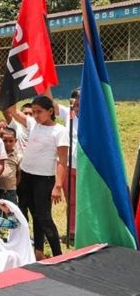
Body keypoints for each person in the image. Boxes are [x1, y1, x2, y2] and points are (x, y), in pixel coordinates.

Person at [6, 94, 68, 258]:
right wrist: (12, 86)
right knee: (29, 213)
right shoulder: (33, 123)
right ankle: (38, 250)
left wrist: (58, 185)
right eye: (33, 112)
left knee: (44, 217)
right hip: (26, 177)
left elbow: (62, 161)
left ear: (50, 111)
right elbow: (12, 110)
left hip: (44, 180)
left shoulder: (59, 131)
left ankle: (58, 255)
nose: (35, 115)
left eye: (39, 111)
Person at [56, 88, 79, 242]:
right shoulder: (68, 114)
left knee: (83, 202)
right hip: (68, 166)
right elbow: (51, 103)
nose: (78, 108)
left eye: (81, 104)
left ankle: (84, 231)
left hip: (85, 168)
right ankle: (71, 232)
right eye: (76, 105)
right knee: (71, 201)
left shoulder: (94, 118)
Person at [0, 127, 22, 204]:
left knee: (11, 211)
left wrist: (14, 185)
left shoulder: (18, 156)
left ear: (15, 141)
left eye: (11, 141)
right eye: (4, 141)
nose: (8, 143)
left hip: (11, 190)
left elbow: (19, 174)